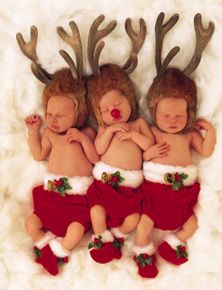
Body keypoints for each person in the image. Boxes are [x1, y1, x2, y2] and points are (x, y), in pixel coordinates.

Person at [133, 68, 216, 278]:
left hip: (181, 196)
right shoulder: (153, 132)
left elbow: (206, 151)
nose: (173, 120)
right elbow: (139, 154)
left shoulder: (189, 135)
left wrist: (211, 132)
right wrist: (149, 152)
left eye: (179, 115)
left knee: (192, 224)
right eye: (165, 115)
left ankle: (173, 243)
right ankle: (143, 253)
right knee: (143, 227)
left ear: (189, 113)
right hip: (155, 194)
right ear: (154, 112)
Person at [24, 68, 99, 275]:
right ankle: (44, 243)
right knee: (31, 223)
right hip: (51, 197)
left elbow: (96, 160)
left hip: (76, 201)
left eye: (60, 115)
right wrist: (33, 133)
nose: (52, 119)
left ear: (78, 113)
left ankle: (59, 251)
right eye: (49, 114)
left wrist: (83, 140)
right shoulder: (49, 134)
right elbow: (39, 155)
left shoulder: (88, 132)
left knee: (76, 231)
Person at [86, 64, 154, 264]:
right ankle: (100, 238)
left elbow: (149, 144)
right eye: (105, 110)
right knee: (96, 211)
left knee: (133, 218)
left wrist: (134, 136)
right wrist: (109, 132)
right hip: (104, 186)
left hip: (128, 191)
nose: (113, 111)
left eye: (117, 103)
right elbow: (98, 149)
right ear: (99, 114)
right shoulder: (103, 128)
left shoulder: (138, 124)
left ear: (129, 100)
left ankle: (118, 235)